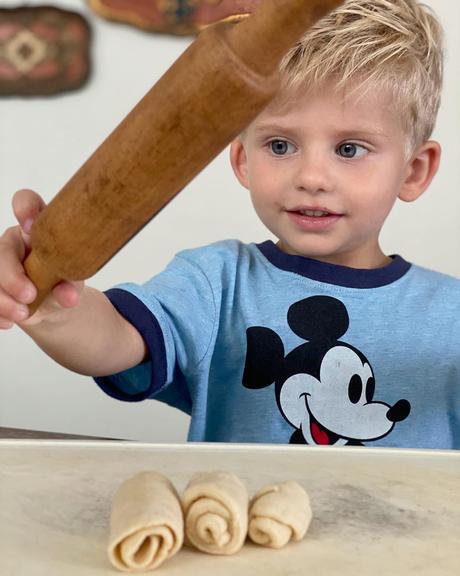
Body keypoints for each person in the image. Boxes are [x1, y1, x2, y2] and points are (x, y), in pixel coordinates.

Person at [1, 0, 458, 449]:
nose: (312, 178)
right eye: (280, 146)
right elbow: (116, 340)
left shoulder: (451, 314)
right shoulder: (218, 283)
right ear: (242, 160)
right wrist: (49, 305)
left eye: (350, 149)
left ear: (414, 170)